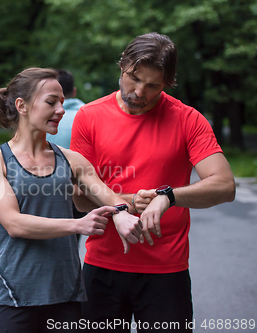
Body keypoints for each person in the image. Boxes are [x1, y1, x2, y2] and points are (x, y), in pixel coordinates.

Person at [70, 33, 236, 332]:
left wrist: (168, 197)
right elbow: (79, 198)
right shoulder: (89, 116)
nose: (139, 92)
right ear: (122, 66)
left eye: (153, 86)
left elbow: (224, 185)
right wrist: (129, 203)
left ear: (168, 83)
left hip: (166, 270)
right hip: (103, 266)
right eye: (133, 78)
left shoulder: (188, 119)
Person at [0, 67, 142, 333]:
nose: (61, 110)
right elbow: (14, 224)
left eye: (62, 102)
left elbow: (105, 194)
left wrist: (122, 212)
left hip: (65, 297)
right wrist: (77, 225)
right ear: (22, 105)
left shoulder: (71, 159)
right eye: (51, 102)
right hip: (12, 298)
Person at [46, 69, 87, 236]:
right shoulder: (89, 115)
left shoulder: (43, 117)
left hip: (46, 190)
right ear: (74, 91)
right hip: (81, 188)